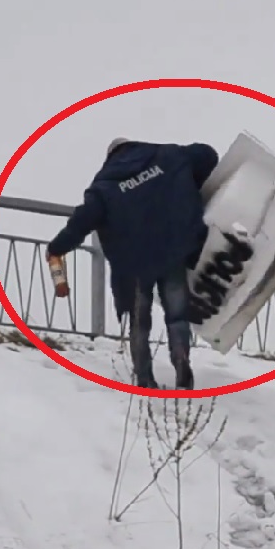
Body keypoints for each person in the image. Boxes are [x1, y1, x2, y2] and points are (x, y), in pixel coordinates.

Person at [47, 137, 220, 390]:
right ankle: (181, 361)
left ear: (111, 157)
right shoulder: (169, 156)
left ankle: (145, 379)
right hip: (173, 251)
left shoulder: (104, 187)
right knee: (177, 316)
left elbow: (80, 224)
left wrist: (56, 248)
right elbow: (207, 154)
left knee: (139, 323)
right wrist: (191, 185)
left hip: (134, 264)